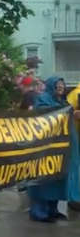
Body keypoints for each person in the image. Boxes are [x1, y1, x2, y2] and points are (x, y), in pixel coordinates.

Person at [27, 76, 80, 222]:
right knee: (44, 180)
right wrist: (71, 114)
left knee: (57, 180)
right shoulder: (43, 98)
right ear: (51, 85)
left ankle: (52, 210)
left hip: (61, 149)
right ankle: (39, 212)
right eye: (58, 85)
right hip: (47, 149)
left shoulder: (62, 101)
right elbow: (46, 116)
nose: (60, 87)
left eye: (62, 85)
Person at [66, 82, 80, 212]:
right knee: (75, 167)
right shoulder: (75, 94)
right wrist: (75, 114)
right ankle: (74, 199)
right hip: (75, 134)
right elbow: (65, 113)